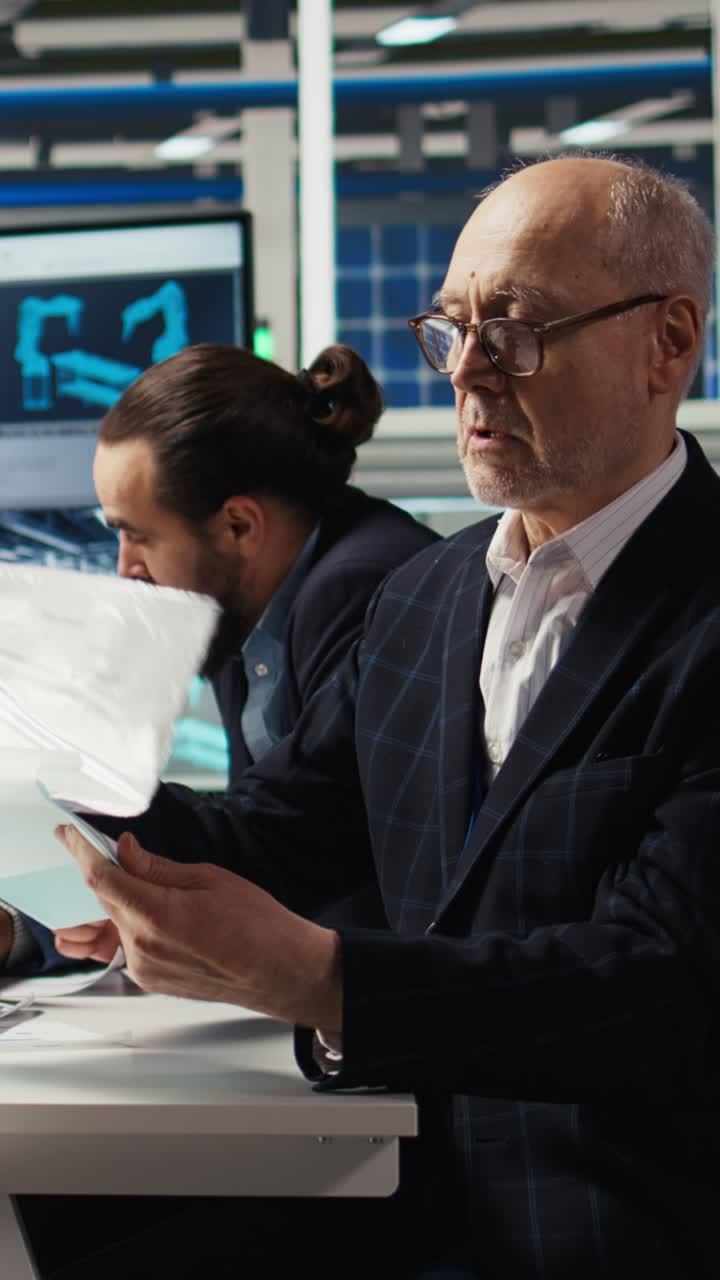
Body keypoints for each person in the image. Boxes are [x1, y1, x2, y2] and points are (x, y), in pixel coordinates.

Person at [39, 153, 720, 1276]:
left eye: (519, 330)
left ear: (670, 341)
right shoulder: (428, 597)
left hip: (612, 1222)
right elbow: (288, 828)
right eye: (452, 328)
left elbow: (654, 982)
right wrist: (52, 753)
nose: (470, 374)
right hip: (403, 1175)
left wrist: (324, 976)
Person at [0, 341, 436, 972]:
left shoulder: (369, 592)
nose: (126, 568)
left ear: (238, 525)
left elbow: (278, 840)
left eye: (138, 534)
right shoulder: (241, 599)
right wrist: (24, 929)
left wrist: (49, 764)